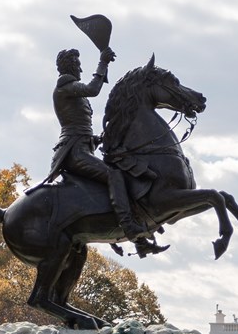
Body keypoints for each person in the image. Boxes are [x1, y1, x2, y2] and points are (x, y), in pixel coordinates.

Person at [41, 45, 164, 256]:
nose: (80, 68)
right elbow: (93, 89)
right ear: (69, 66)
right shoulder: (65, 86)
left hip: (83, 148)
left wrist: (99, 139)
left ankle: (140, 240)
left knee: (119, 169)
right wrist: (103, 62)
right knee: (113, 174)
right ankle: (129, 226)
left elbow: (80, 127)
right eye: (77, 64)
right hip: (73, 154)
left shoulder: (71, 90)